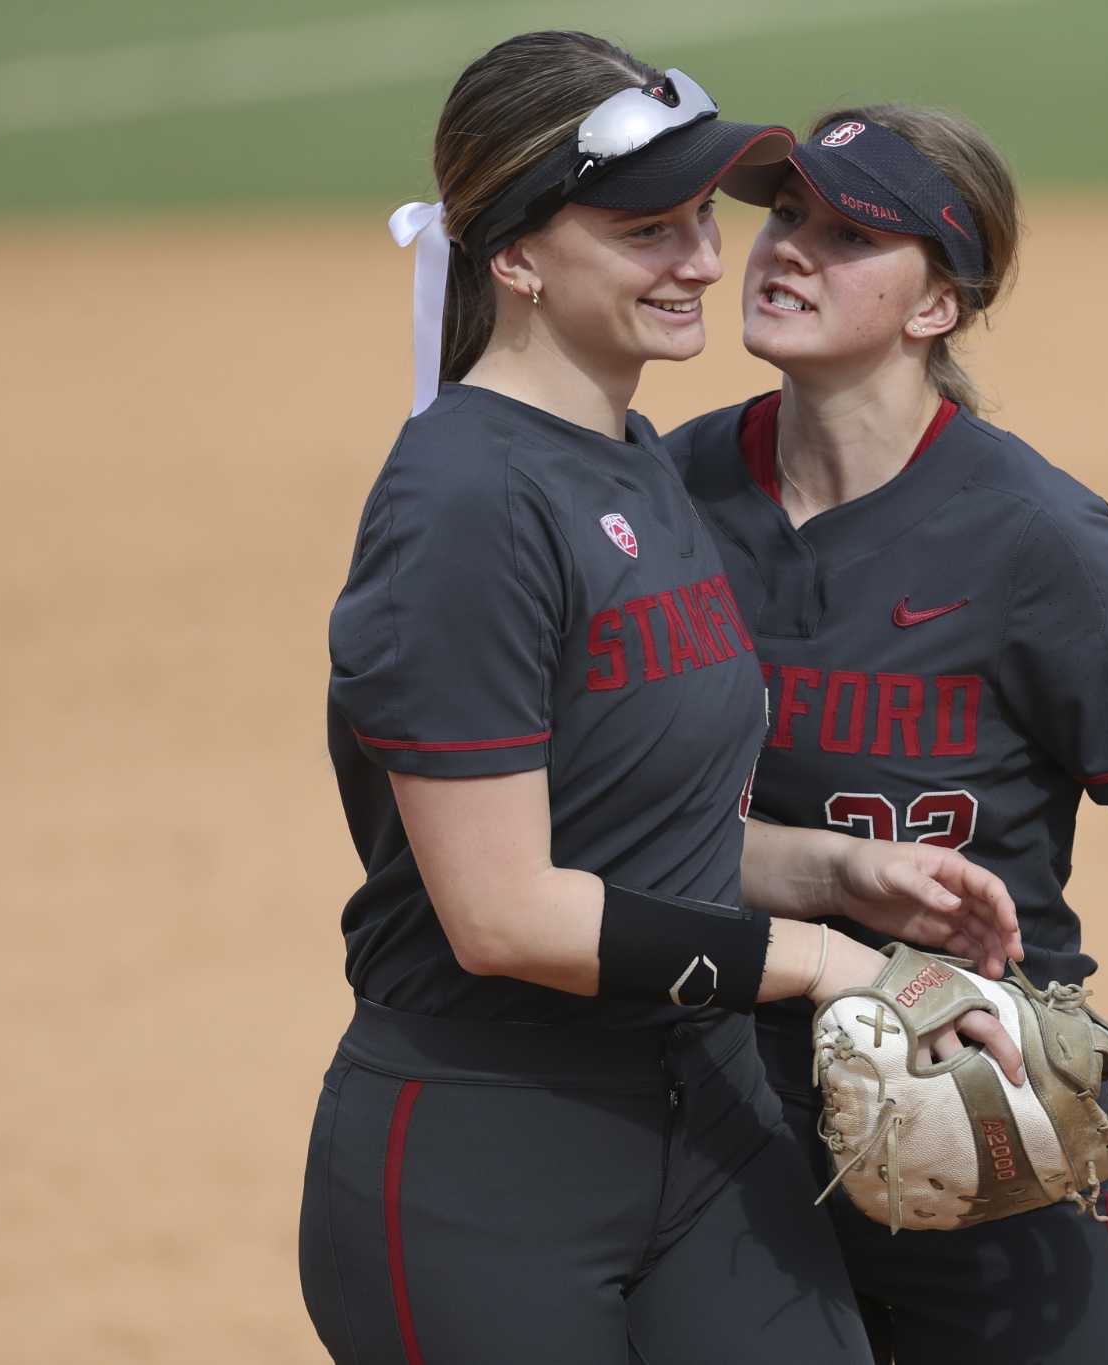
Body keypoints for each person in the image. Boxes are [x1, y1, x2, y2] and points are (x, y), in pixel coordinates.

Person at [299, 41, 1024, 1365]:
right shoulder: (465, 502)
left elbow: (633, 827)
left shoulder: (634, 461)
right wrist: (830, 967)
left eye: (702, 216)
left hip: (703, 1129)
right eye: (646, 228)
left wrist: (837, 872)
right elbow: (508, 911)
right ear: (514, 258)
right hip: (489, 1169)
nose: (702, 258)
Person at [668, 105, 1108, 1364]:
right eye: (784, 214)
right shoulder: (664, 501)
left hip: (995, 1120)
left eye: (848, 232)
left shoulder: (1036, 541)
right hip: (724, 1143)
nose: (787, 248)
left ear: (934, 305)